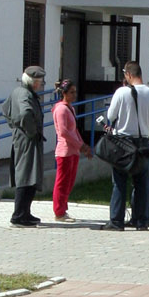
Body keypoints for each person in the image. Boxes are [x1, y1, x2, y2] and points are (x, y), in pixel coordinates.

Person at [102, 61, 149, 231]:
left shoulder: (121, 92)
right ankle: (141, 221)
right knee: (142, 183)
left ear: (128, 74)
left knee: (119, 181)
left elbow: (111, 116)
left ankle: (116, 221)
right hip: (143, 142)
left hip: (123, 141)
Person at [3, 66, 46, 227]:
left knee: (30, 175)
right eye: (39, 81)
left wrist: (14, 125)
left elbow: (5, 109)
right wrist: (31, 131)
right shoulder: (25, 94)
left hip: (24, 138)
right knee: (26, 175)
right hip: (27, 139)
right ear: (32, 82)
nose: (41, 84)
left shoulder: (18, 92)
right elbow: (25, 113)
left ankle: (25, 213)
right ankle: (19, 215)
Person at [51, 78, 90, 221]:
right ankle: (59, 212)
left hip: (73, 150)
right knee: (62, 182)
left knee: (69, 182)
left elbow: (74, 130)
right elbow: (63, 132)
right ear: (64, 93)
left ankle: (63, 208)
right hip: (65, 151)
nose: (74, 95)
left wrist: (82, 145)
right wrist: (79, 145)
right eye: (71, 92)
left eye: (75, 92)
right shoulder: (61, 109)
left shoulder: (70, 108)